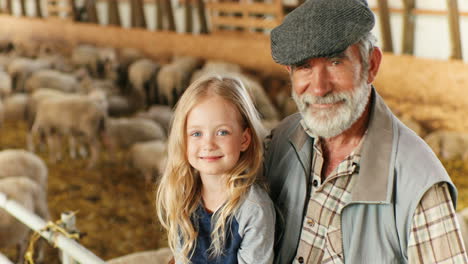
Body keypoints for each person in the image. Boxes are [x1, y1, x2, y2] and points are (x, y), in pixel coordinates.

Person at [264, 0, 468, 263]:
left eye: (336, 62)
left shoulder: (419, 184)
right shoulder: (279, 142)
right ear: (289, 73)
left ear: (371, 65)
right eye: (305, 66)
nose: (319, 88)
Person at [156, 75, 275, 264]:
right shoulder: (184, 193)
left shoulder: (253, 209)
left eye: (222, 132)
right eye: (196, 133)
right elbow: (181, 257)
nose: (208, 144)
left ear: (244, 139)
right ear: (183, 139)